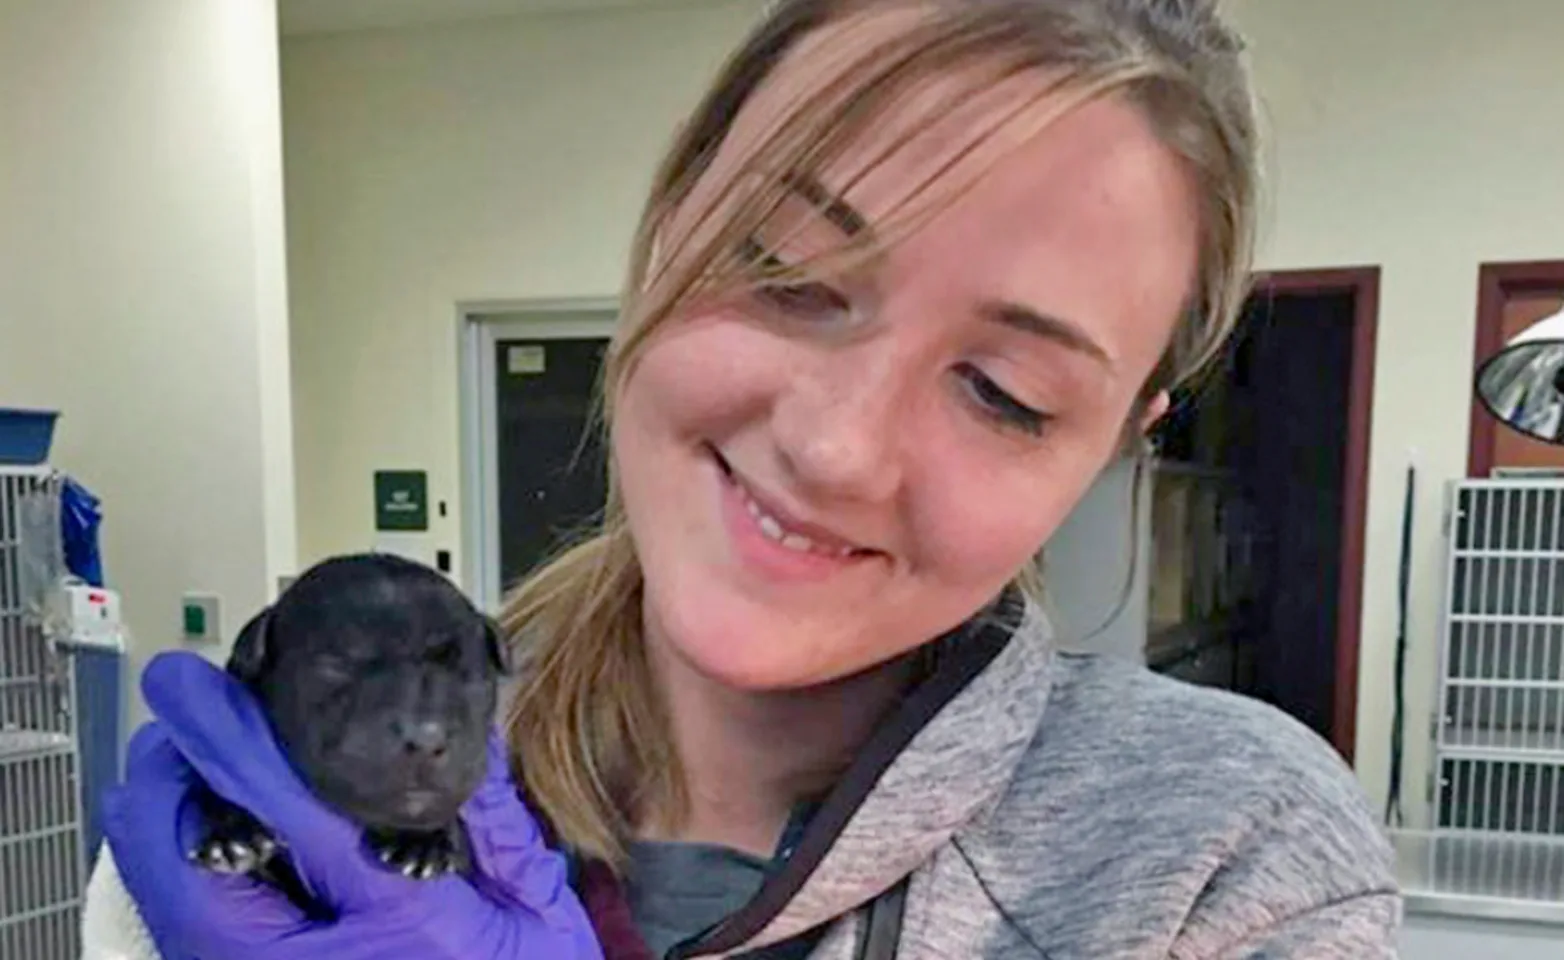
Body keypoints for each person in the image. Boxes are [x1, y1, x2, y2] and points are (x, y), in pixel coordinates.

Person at [82, 0, 1404, 957]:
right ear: (668, 230)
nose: (835, 447)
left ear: (1114, 443)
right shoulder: (288, 785)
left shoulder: (1227, 857)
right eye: (783, 273)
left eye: (1004, 393)